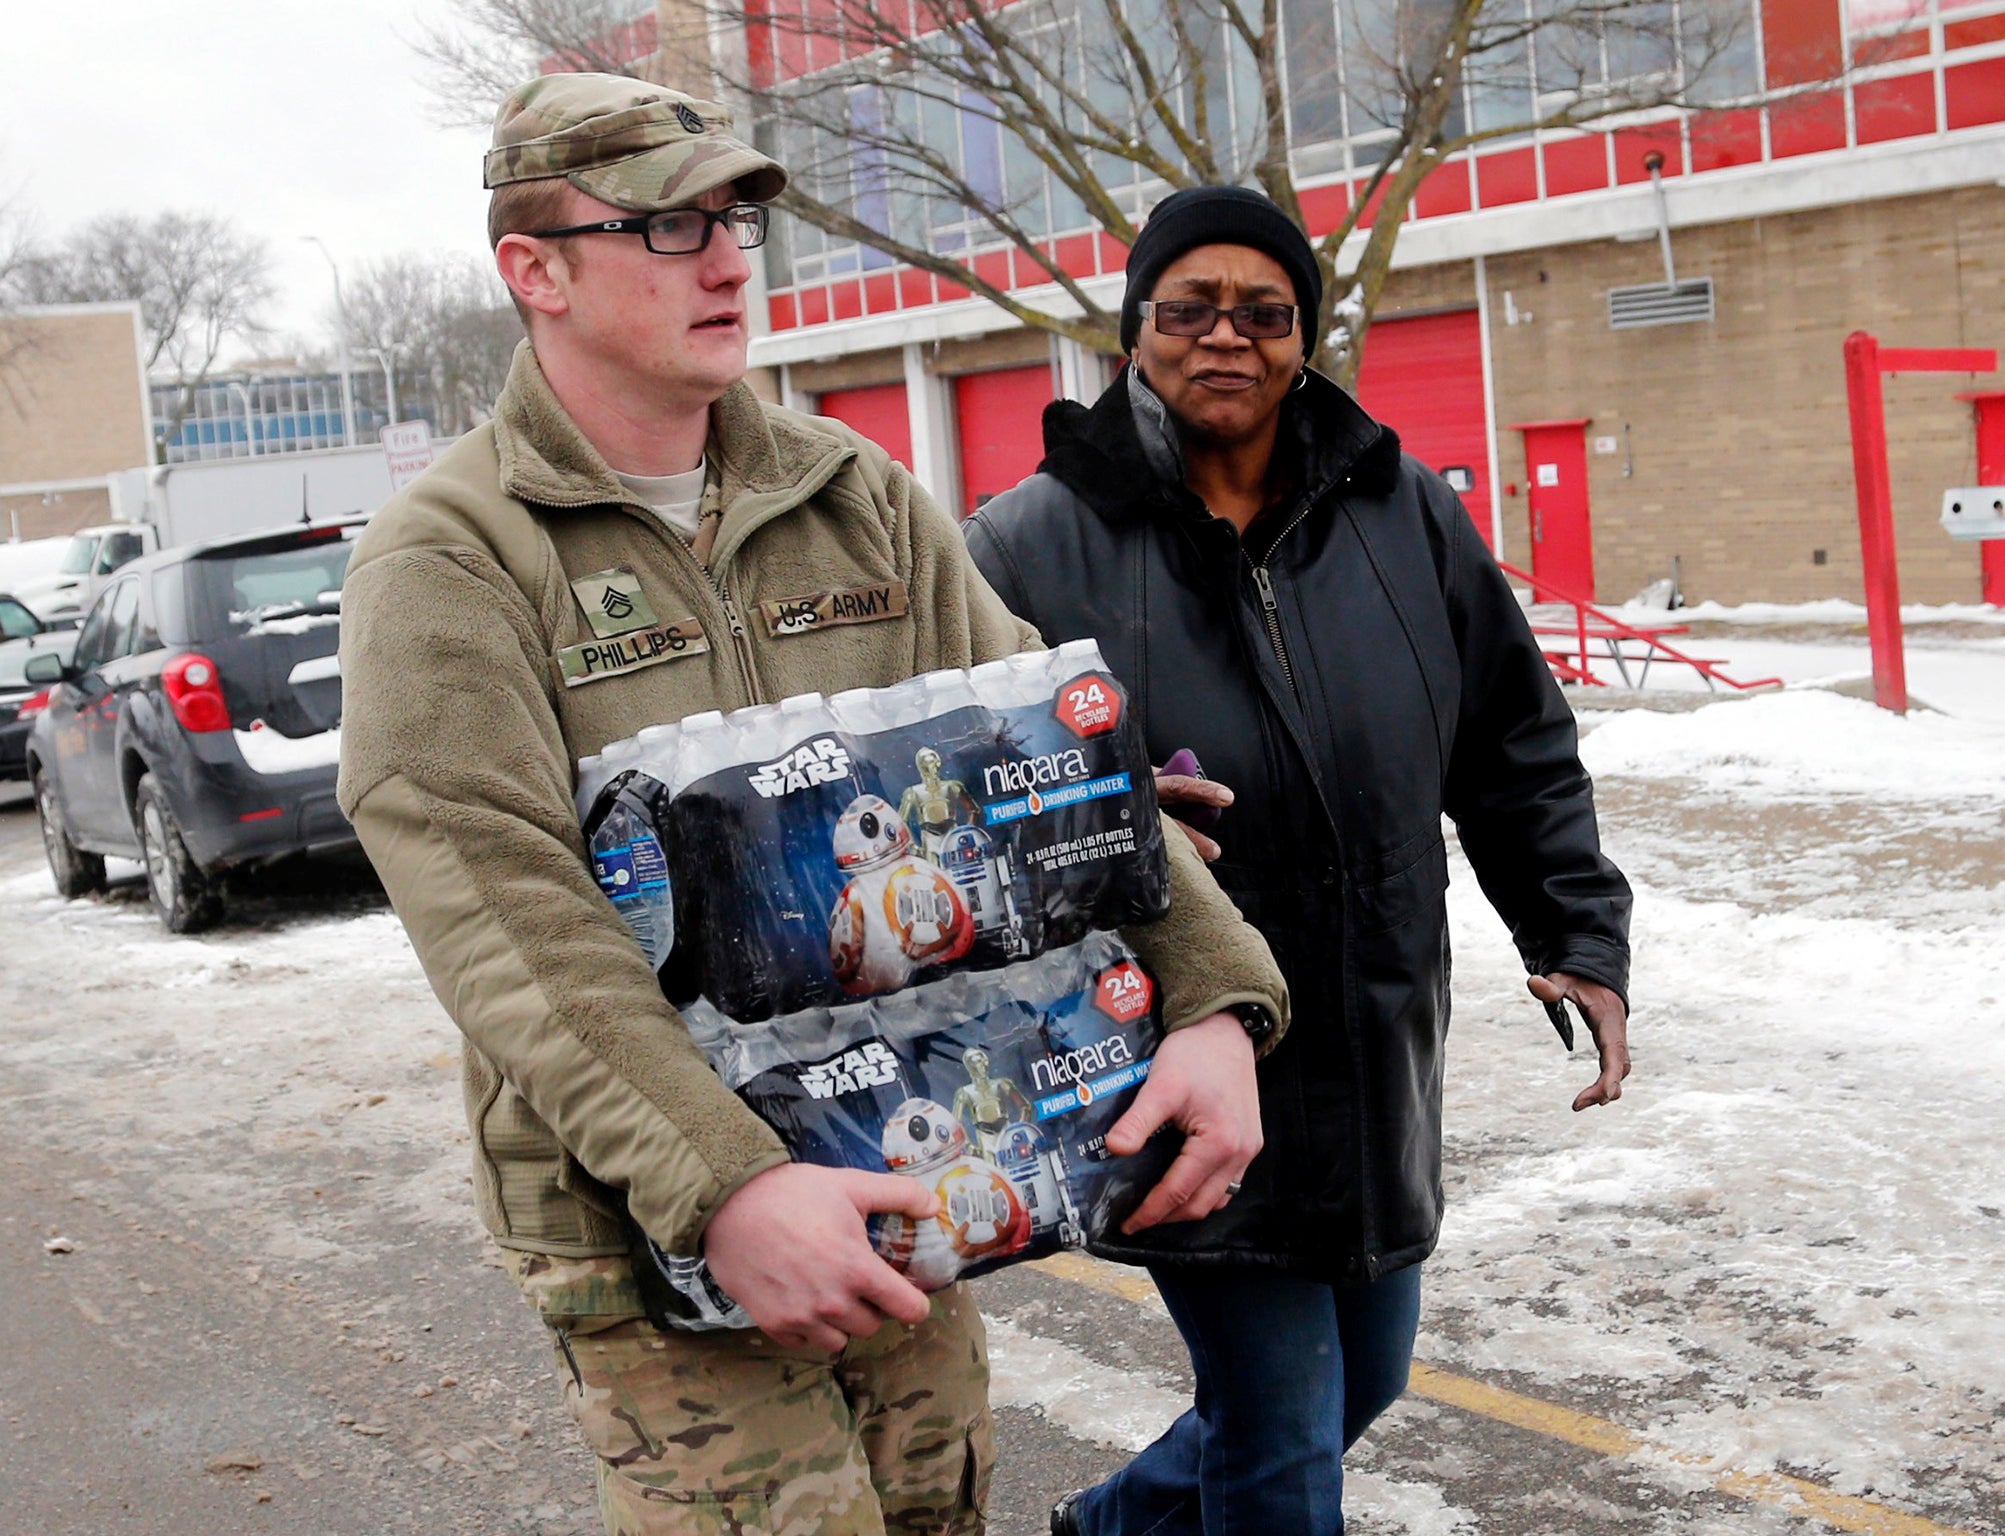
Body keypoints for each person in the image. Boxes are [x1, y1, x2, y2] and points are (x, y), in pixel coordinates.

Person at [337, 84, 1291, 1536]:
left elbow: (1053, 766)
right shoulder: (456, 554)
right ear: (534, 269)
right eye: (665, 225)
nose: (727, 261)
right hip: (661, 1218)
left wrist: (1215, 1001)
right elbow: (501, 909)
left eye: (734, 219)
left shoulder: (855, 495)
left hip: (909, 1152)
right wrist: (726, 1184)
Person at [964, 185, 1635, 1536]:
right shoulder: (1019, 547)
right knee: (1280, 1443)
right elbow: (961, 813)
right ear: (1134, 330)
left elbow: (1512, 740)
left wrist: (1575, 932)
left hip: (1376, 1031)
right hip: (1171, 1055)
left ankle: (1113, 1527)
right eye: (1188, 308)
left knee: (1357, 1384)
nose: (1227, 336)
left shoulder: (1404, 514)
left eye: (1263, 311)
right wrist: (1095, 825)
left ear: (1304, 336)